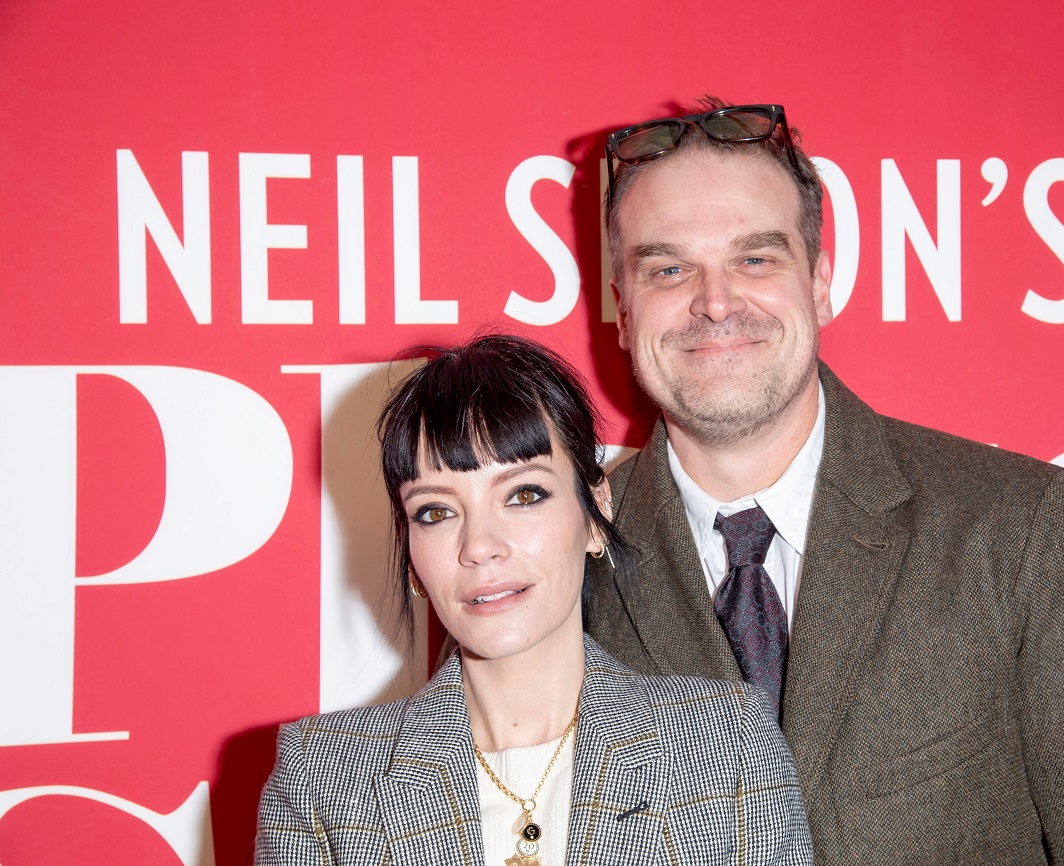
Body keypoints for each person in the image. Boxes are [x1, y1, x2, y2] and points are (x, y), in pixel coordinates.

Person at [586, 98, 1064, 863]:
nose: (715, 301)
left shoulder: (1021, 532)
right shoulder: (562, 568)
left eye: (756, 259)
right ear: (623, 309)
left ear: (820, 283)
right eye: (668, 269)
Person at [254, 334, 812, 865]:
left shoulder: (729, 745)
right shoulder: (321, 781)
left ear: (595, 514)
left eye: (524, 495)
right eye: (435, 511)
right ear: (411, 553)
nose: (480, 546)